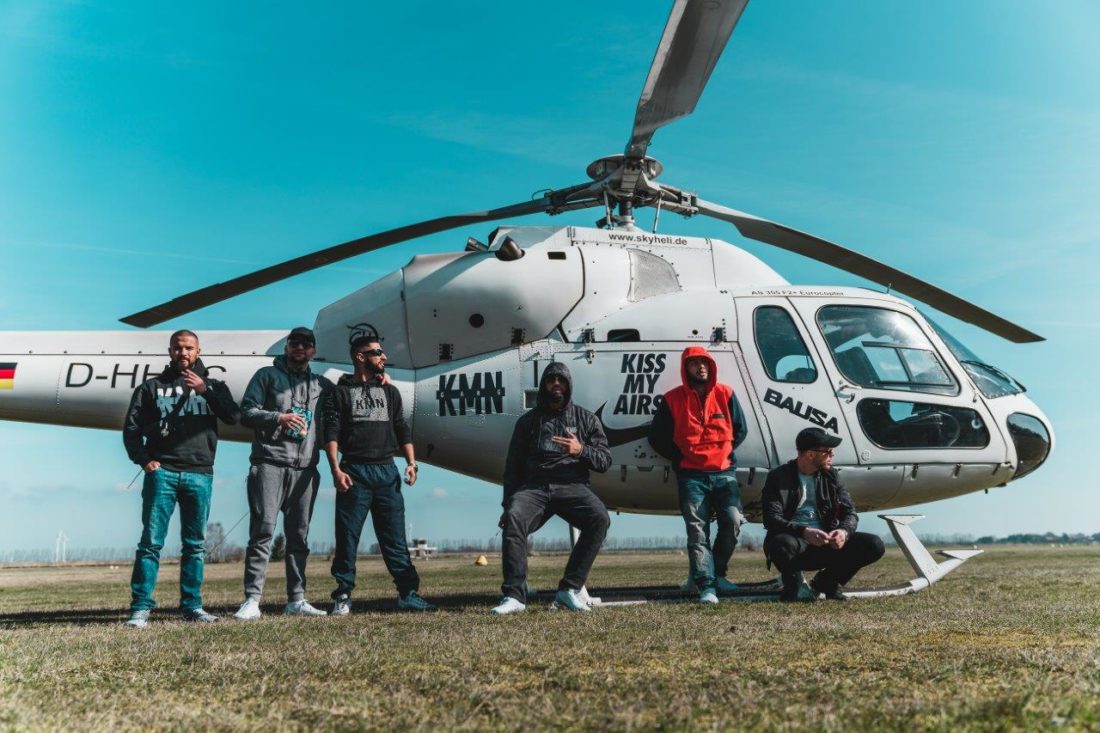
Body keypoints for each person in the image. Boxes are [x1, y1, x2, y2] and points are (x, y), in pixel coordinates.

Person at [122, 329, 239, 627]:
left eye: (188, 348)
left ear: (198, 351)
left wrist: (205, 390)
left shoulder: (214, 386)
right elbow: (131, 429)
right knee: (151, 543)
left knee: (195, 545)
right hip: (163, 474)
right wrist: (144, 460)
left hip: (200, 474)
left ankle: (192, 607)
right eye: (178, 348)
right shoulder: (151, 388)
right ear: (170, 351)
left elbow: (232, 416)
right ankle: (140, 608)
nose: (183, 353)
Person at [322, 335, 435, 614]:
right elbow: (331, 433)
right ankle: (343, 595)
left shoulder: (390, 391)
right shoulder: (339, 393)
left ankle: (408, 594)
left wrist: (411, 463)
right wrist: (335, 469)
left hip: (387, 472)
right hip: (354, 472)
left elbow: (402, 429)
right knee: (347, 537)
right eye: (377, 352)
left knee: (394, 538)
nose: (383, 357)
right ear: (360, 357)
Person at [492, 362, 612, 615]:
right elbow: (512, 468)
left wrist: (581, 450)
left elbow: (604, 461)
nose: (556, 384)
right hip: (535, 488)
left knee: (599, 518)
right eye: (551, 380)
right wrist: (507, 505)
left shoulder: (586, 419)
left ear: (569, 385)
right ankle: (514, 596)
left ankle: (569, 589)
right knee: (514, 517)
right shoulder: (527, 422)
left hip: (572, 485)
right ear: (543, 385)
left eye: (561, 380)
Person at [233, 327, 332, 620]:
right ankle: (252, 600)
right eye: (294, 343)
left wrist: (379, 379)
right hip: (270, 464)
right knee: (263, 531)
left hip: (305, 470)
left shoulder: (321, 384)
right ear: (287, 347)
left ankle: (297, 599)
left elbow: (346, 399)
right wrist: (279, 417)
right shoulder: (266, 376)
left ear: (313, 351)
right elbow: (246, 413)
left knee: (299, 536)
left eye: (306, 344)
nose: (300, 347)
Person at [648, 346, 748, 604]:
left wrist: (724, 453)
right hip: (691, 477)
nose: (701, 367)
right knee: (697, 533)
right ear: (686, 368)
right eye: (695, 363)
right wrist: (680, 458)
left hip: (724, 473)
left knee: (733, 522)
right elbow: (656, 438)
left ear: (711, 366)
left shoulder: (726, 394)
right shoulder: (672, 399)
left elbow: (741, 429)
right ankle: (707, 586)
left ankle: (718, 573)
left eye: (705, 362)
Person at [762, 427, 885, 602]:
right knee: (781, 543)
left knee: (874, 545)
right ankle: (793, 587)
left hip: (827, 543)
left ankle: (827, 582)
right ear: (810, 454)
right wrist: (804, 532)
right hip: (795, 545)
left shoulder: (832, 476)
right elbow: (771, 518)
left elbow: (850, 512)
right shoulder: (778, 477)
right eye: (828, 451)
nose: (832, 455)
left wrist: (843, 531)